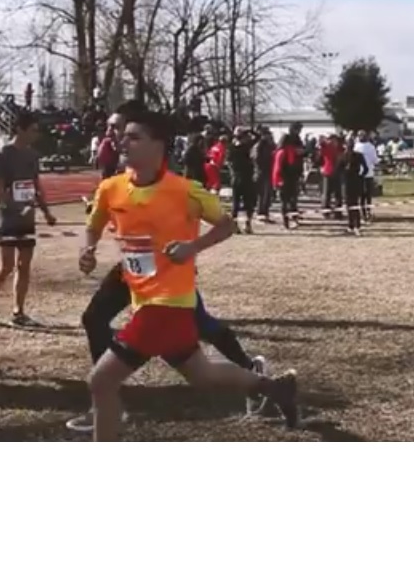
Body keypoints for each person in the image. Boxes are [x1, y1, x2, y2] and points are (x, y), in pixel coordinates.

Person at [78, 109, 300, 441]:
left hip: (167, 305)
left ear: (159, 145)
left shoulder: (185, 190)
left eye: (134, 137)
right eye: (123, 136)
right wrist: (88, 250)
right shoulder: (111, 188)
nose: (123, 142)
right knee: (203, 375)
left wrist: (192, 247)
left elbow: (227, 226)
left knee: (101, 381)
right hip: (145, 300)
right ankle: (275, 388)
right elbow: (94, 224)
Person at [0, 111, 57, 328]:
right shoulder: (3, 154)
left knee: (23, 265)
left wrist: (46, 212)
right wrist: (11, 208)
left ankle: (18, 312)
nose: (36, 134)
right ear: (20, 129)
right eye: (33, 130)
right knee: (6, 266)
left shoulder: (32, 155)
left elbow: (36, 186)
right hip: (7, 220)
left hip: (27, 219)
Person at [226, 126, 258, 233]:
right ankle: (247, 224)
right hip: (246, 177)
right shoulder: (246, 147)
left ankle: (234, 225)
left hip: (235, 178)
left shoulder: (231, 148)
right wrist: (250, 130)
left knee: (236, 202)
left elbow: (228, 161)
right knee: (248, 202)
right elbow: (257, 137)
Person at [339, 137, 368, 235]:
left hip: (347, 182)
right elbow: (366, 169)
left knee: (350, 205)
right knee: (354, 204)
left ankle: (353, 225)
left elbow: (338, 170)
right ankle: (354, 225)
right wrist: (360, 176)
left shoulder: (342, 156)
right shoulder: (358, 155)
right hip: (355, 181)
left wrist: (343, 177)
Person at [274, 133, 303, 229]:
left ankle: (287, 221)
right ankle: (290, 220)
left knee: (285, 201)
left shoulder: (279, 152)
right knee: (290, 201)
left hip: (282, 179)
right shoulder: (287, 152)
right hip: (288, 179)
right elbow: (288, 166)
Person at [352, 131, 379, 223]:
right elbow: (375, 160)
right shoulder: (371, 147)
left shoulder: (356, 146)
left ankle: (363, 213)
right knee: (368, 195)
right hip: (368, 173)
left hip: (359, 174)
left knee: (362, 196)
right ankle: (367, 213)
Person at [252, 128, 276, 223]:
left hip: (268, 171)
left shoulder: (270, 145)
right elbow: (256, 158)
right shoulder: (259, 146)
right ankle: (261, 212)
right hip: (262, 172)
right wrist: (262, 167)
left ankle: (265, 212)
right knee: (262, 194)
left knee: (267, 194)